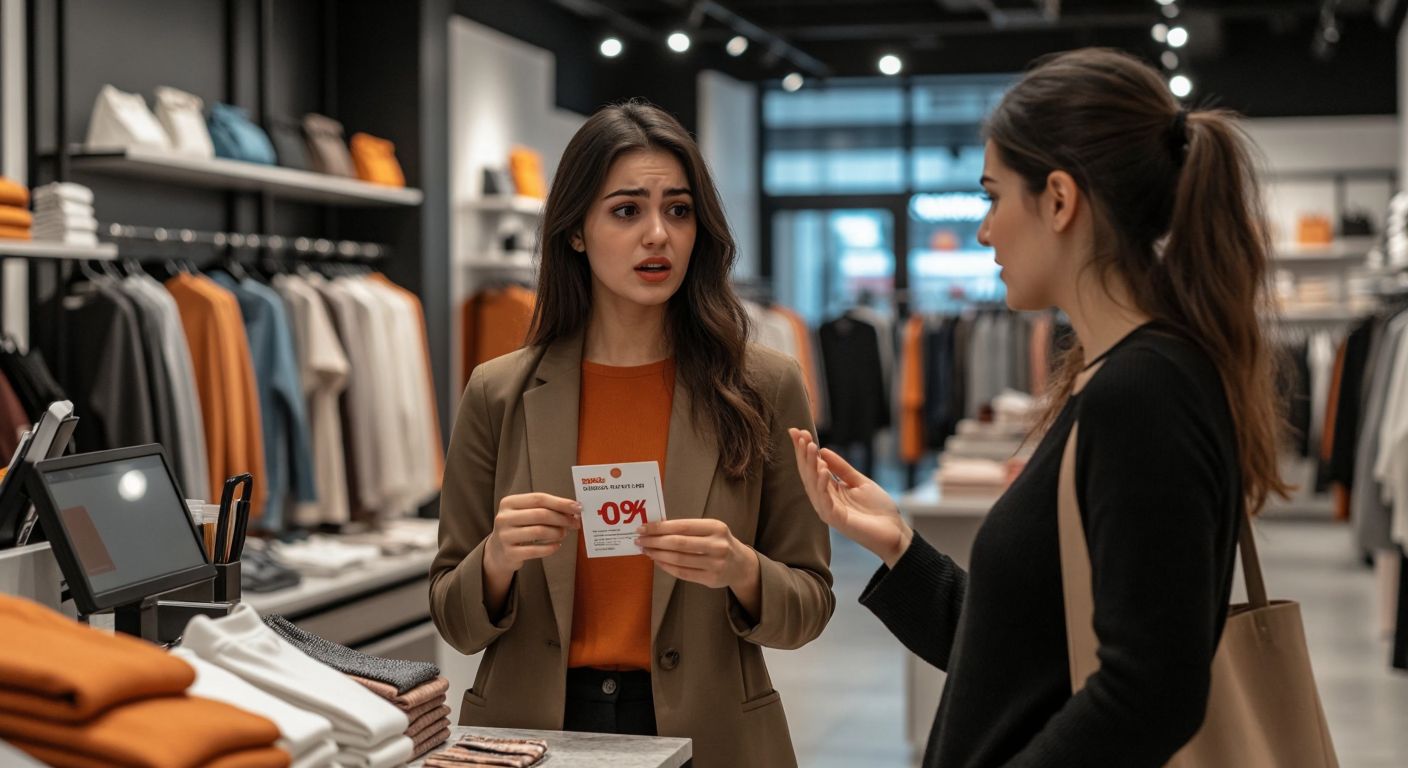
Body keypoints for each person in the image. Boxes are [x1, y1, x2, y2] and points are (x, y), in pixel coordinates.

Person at [790, 48, 1290, 767]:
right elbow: (1023, 654)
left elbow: (1150, 688)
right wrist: (898, 545)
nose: (985, 230)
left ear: (1058, 199)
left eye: (993, 196)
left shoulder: (1144, 392)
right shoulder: (1119, 375)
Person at [431, 100, 834, 768]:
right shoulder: (498, 391)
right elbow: (452, 616)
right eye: (627, 210)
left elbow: (811, 603)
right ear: (577, 231)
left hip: (711, 732)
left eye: (678, 210)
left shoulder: (764, 384)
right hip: (534, 728)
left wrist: (742, 569)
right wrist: (498, 558)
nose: (659, 235)